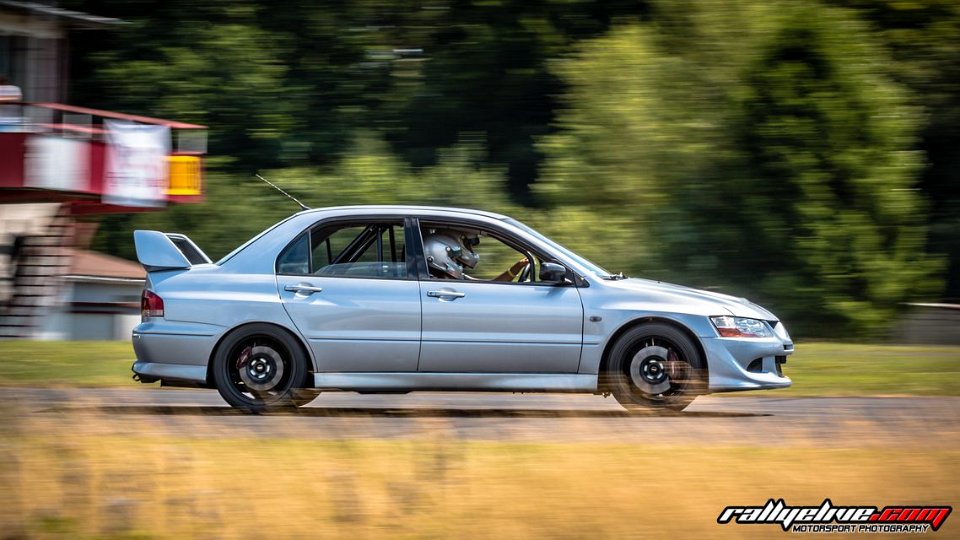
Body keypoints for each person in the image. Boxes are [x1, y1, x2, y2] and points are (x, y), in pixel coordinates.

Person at [423, 229, 528, 282]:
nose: (471, 251)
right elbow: (490, 290)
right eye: (453, 256)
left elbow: (492, 286)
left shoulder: (455, 279)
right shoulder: (438, 282)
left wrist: (517, 267)